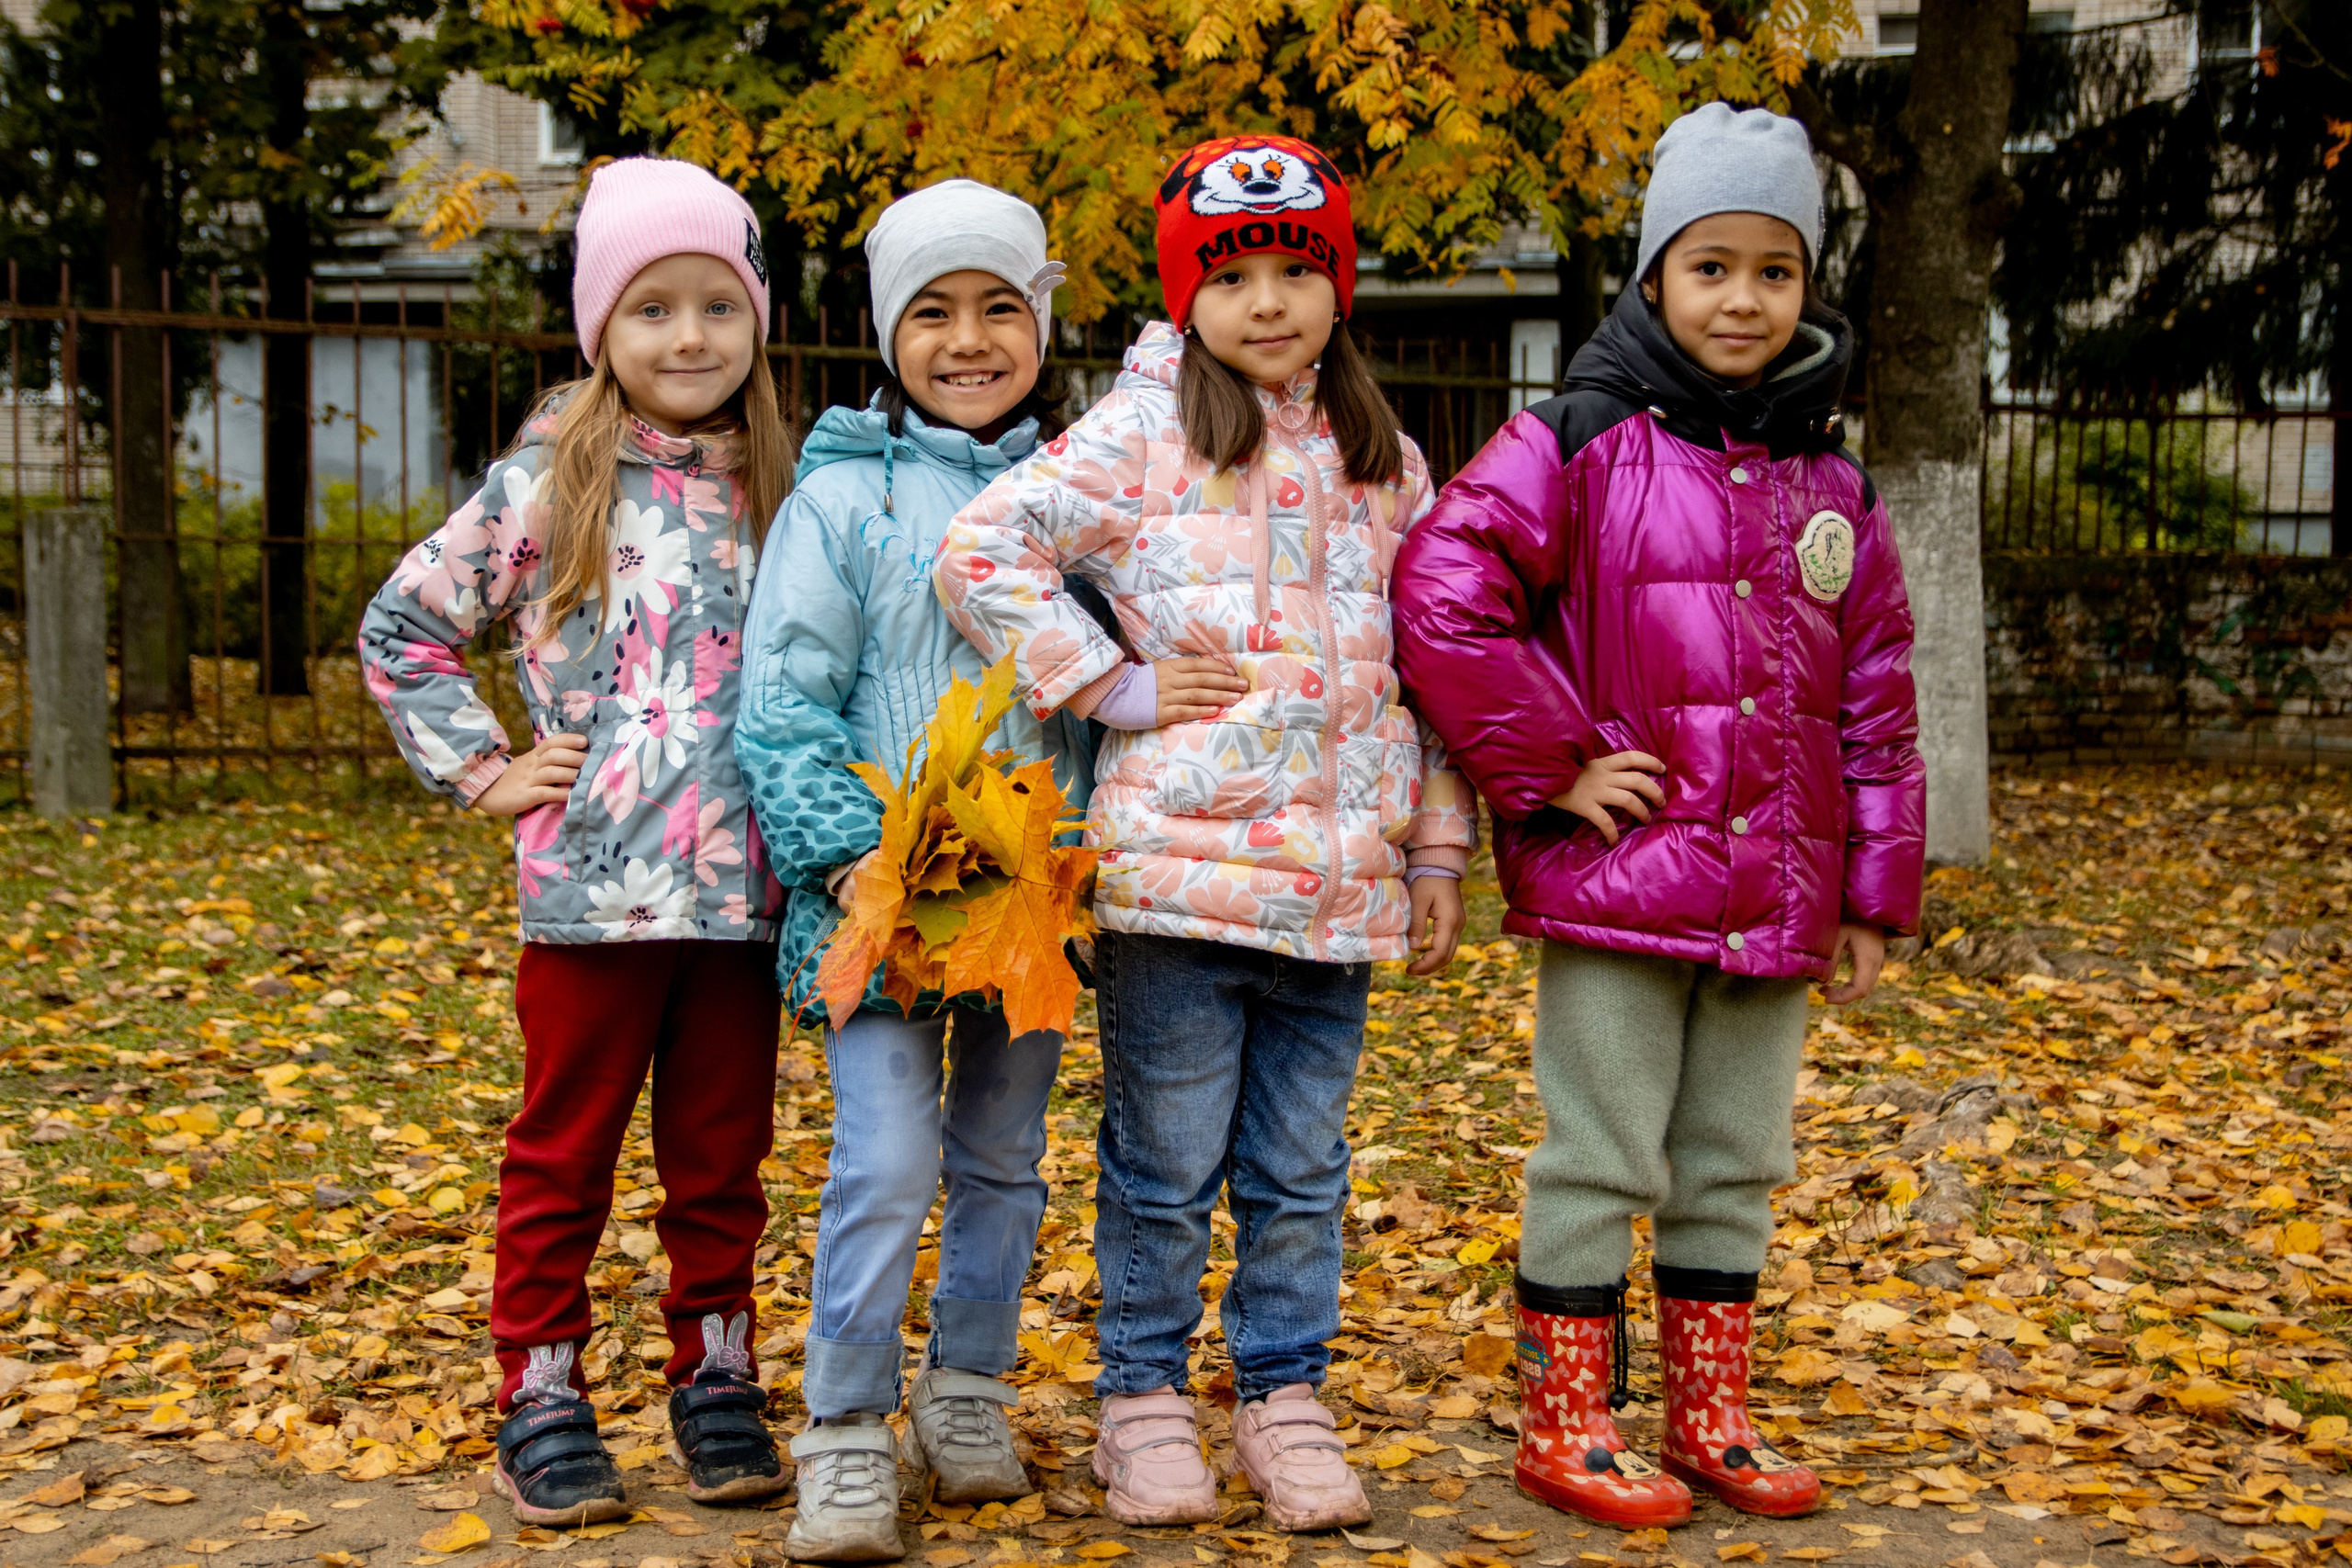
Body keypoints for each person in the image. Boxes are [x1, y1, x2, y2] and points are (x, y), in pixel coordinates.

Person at [1391, 104, 1926, 1529]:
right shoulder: (1575, 441)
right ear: (1652, 277)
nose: (1742, 298)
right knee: (1603, 1150)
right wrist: (1553, 762)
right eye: (1710, 266)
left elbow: (1876, 690)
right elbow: (1444, 593)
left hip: (1778, 896)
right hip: (1625, 886)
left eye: (1774, 270)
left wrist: (1875, 890)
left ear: (1808, 287)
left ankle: (1711, 1414)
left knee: (1736, 1157)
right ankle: (1563, 1423)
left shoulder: (1835, 482)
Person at [933, 134, 1475, 1535]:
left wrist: (1434, 852)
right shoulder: (1142, 432)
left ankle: (1285, 1398)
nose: (1274, 300)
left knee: (1300, 1175)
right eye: (1238, 275)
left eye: (1303, 270)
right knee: (1166, 1168)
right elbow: (983, 551)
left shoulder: (1384, 459)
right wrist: (1106, 683)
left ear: (1339, 287)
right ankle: (1144, 1401)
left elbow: (1439, 666)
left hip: (1339, 893)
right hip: (1178, 893)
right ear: (1190, 296)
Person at [358, 158, 796, 1525]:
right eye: (653, 307)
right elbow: (405, 629)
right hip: (591, 899)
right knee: (567, 1151)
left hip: (744, 901)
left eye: (716, 307)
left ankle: (714, 1372)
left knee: (721, 1159)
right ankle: (539, 1387)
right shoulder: (549, 483)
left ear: (756, 323)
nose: (687, 338)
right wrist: (485, 770)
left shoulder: (789, 481)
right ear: (602, 324)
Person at [735, 179, 1092, 1563]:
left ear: (1040, 322)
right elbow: (783, 700)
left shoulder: (1081, 494)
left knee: (1005, 1161)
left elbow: (1104, 689)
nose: (967, 338)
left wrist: (1084, 853)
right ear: (888, 332)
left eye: (999, 306)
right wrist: (848, 859)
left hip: (1025, 906)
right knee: (886, 1162)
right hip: (875, 903)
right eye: (932, 311)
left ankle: (964, 1392)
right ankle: (841, 1429)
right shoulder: (835, 501)